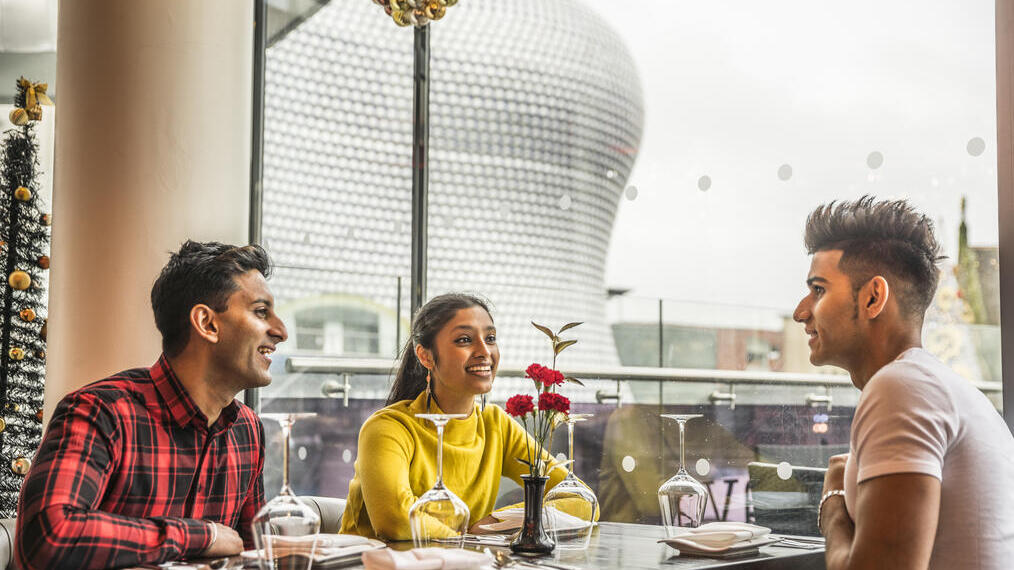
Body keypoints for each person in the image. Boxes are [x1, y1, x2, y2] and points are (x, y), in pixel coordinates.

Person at [15, 241, 288, 570]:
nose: (281, 331)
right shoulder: (99, 412)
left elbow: (252, 554)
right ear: (207, 323)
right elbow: (48, 538)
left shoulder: (248, 430)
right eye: (261, 312)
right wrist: (200, 535)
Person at [792, 197, 1014, 569]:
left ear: (873, 297)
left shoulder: (901, 388)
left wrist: (833, 502)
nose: (800, 312)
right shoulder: (946, 389)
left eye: (818, 290)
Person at [340, 293, 593, 540]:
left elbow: (581, 501)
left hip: (460, 559)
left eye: (490, 338)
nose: (484, 351)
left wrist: (497, 521)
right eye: (464, 340)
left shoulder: (495, 425)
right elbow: (394, 520)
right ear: (425, 356)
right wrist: (464, 536)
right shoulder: (388, 428)